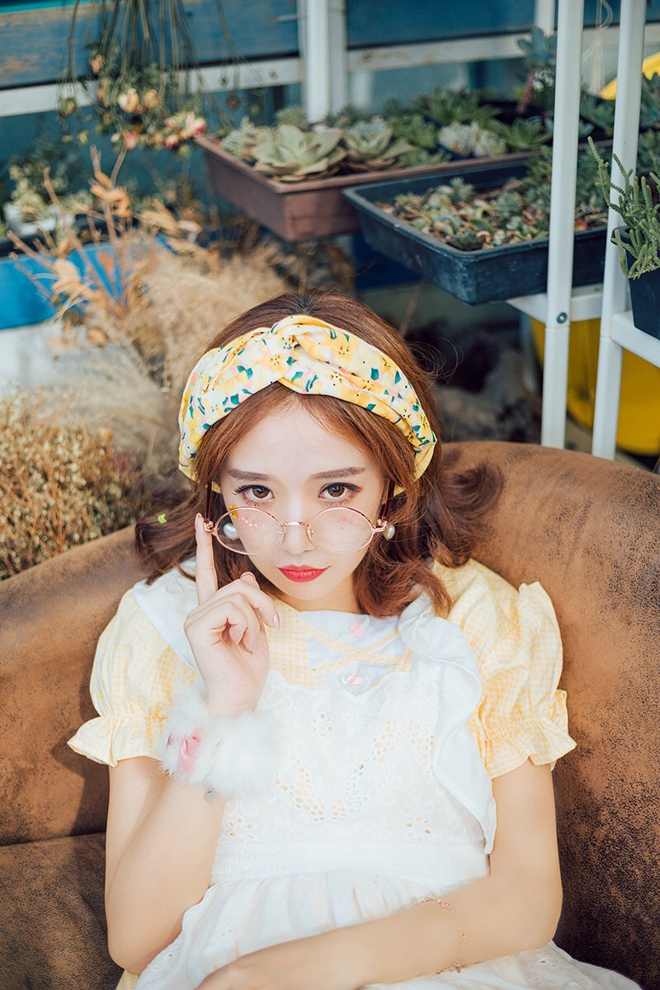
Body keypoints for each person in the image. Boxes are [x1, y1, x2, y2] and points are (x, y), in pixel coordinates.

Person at [69, 291, 639, 990]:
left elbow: (527, 898)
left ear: (393, 487)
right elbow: (136, 937)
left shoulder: (473, 618)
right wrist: (224, 710)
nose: (295, 538)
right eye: (257, 493)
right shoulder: (162, 627)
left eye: (336, 490)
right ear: (217, 490)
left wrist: (303, 969)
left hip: (448, 965)